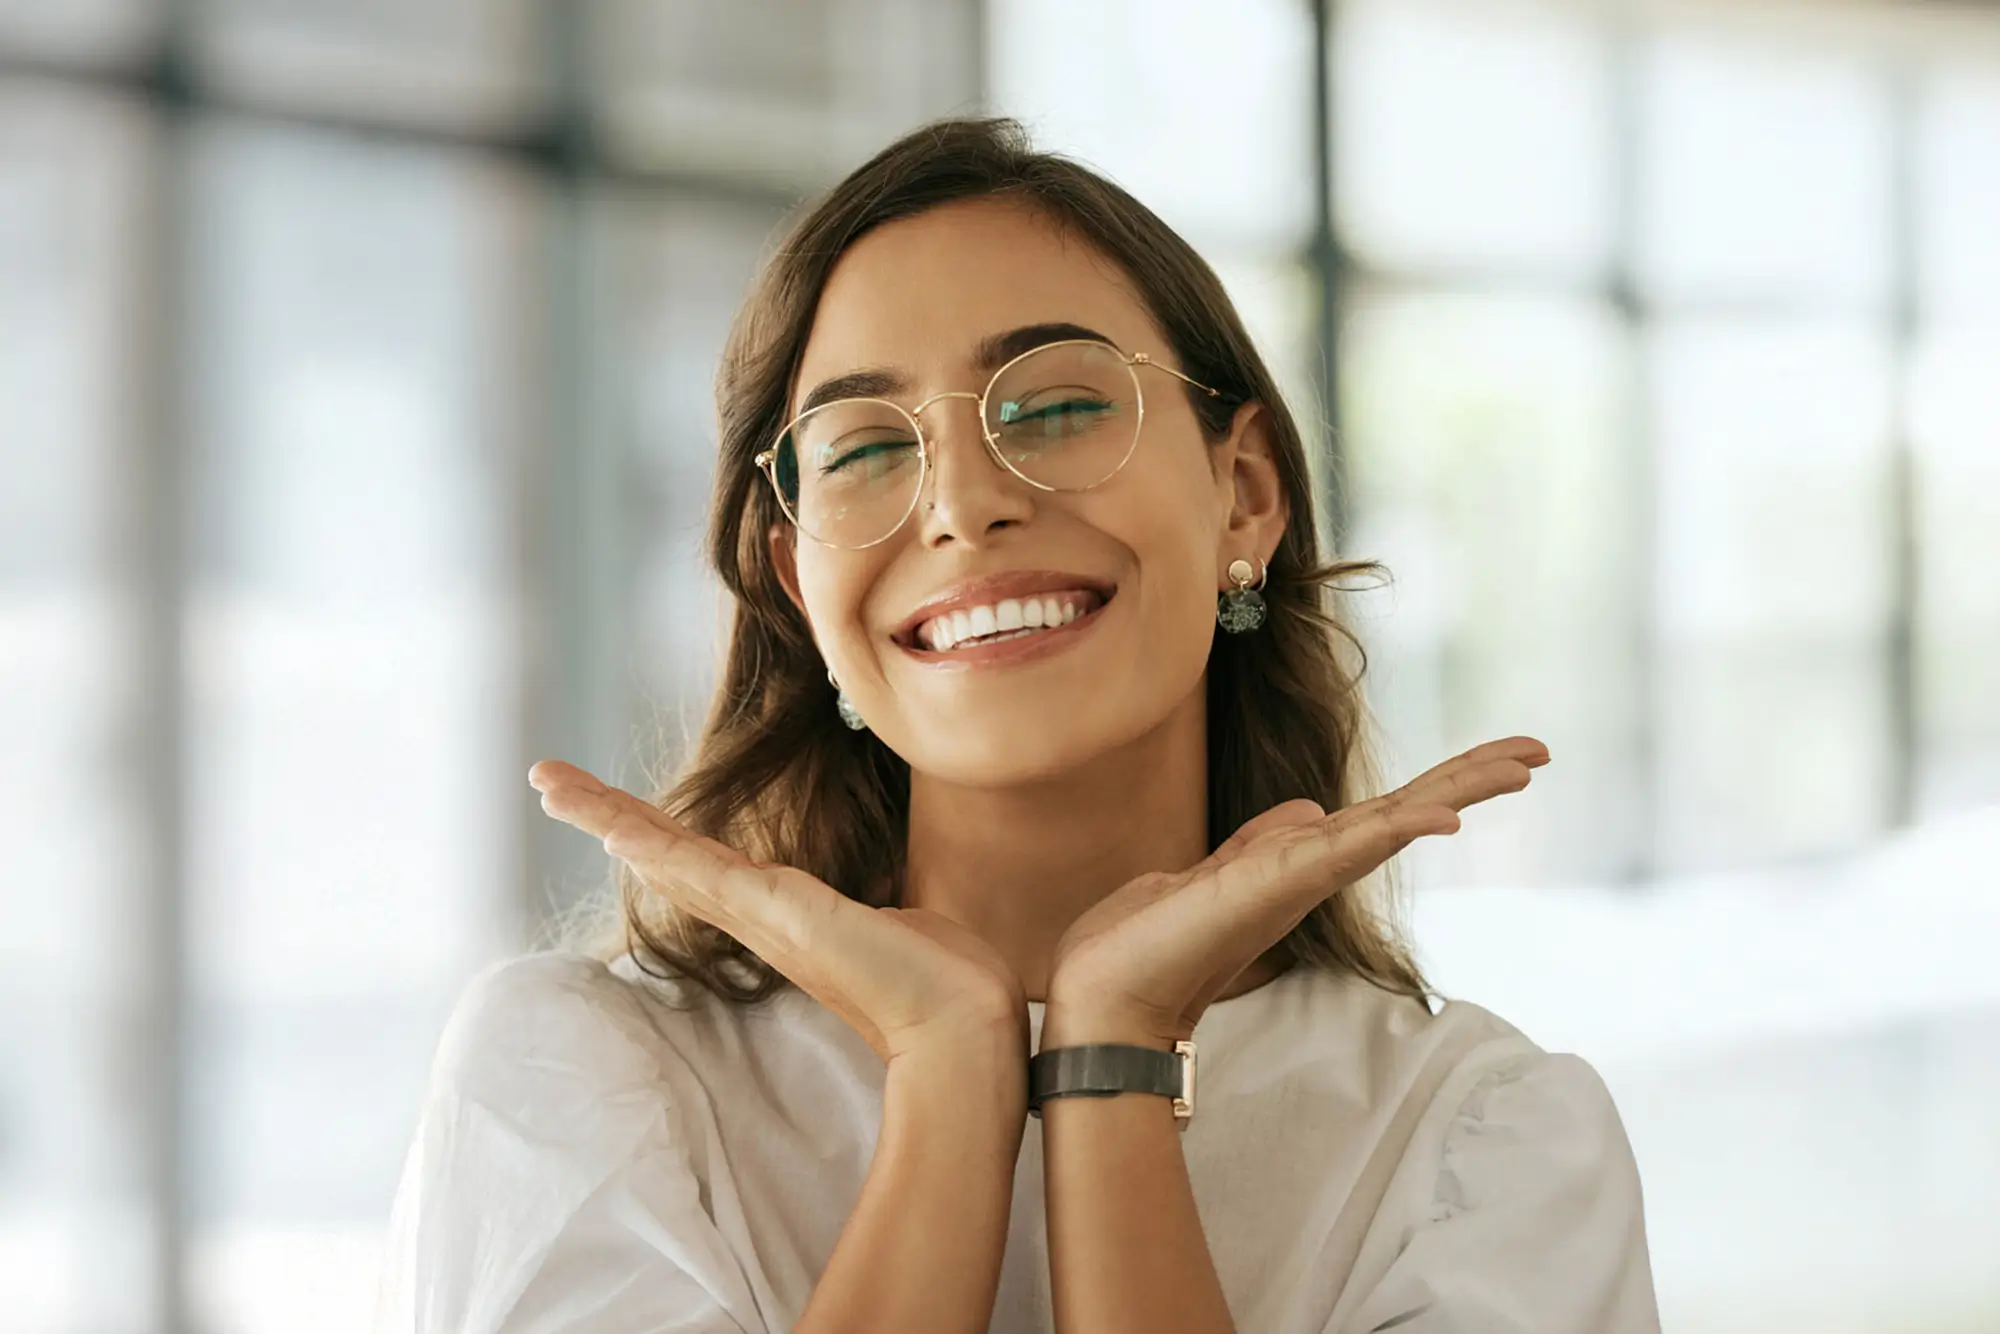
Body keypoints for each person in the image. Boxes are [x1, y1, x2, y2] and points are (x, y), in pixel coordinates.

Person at [373, 116, 1659, 1334]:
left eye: (1054, 407)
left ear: (1243, 494)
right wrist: (945, 1069)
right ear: (795, 583)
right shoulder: (578, 1080)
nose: (961, 504)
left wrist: (1112, 1057)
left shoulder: (1486, 1141)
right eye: (862, 449)